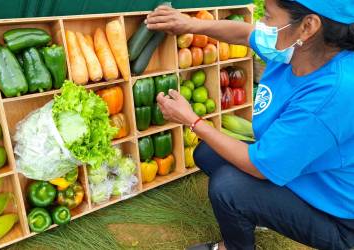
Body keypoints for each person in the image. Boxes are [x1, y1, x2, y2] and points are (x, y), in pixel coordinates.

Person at [146, 0, 354, 249]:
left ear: (308, 26)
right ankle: (259, 213)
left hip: (335, 214)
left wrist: (192, 120)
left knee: (227, 187)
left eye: (267, 16)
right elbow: (244, 33)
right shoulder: (297, 48)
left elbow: (259, 167)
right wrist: (190, 24)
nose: (261, 25)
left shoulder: (332, 92)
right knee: (208, 153)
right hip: (298, 173)